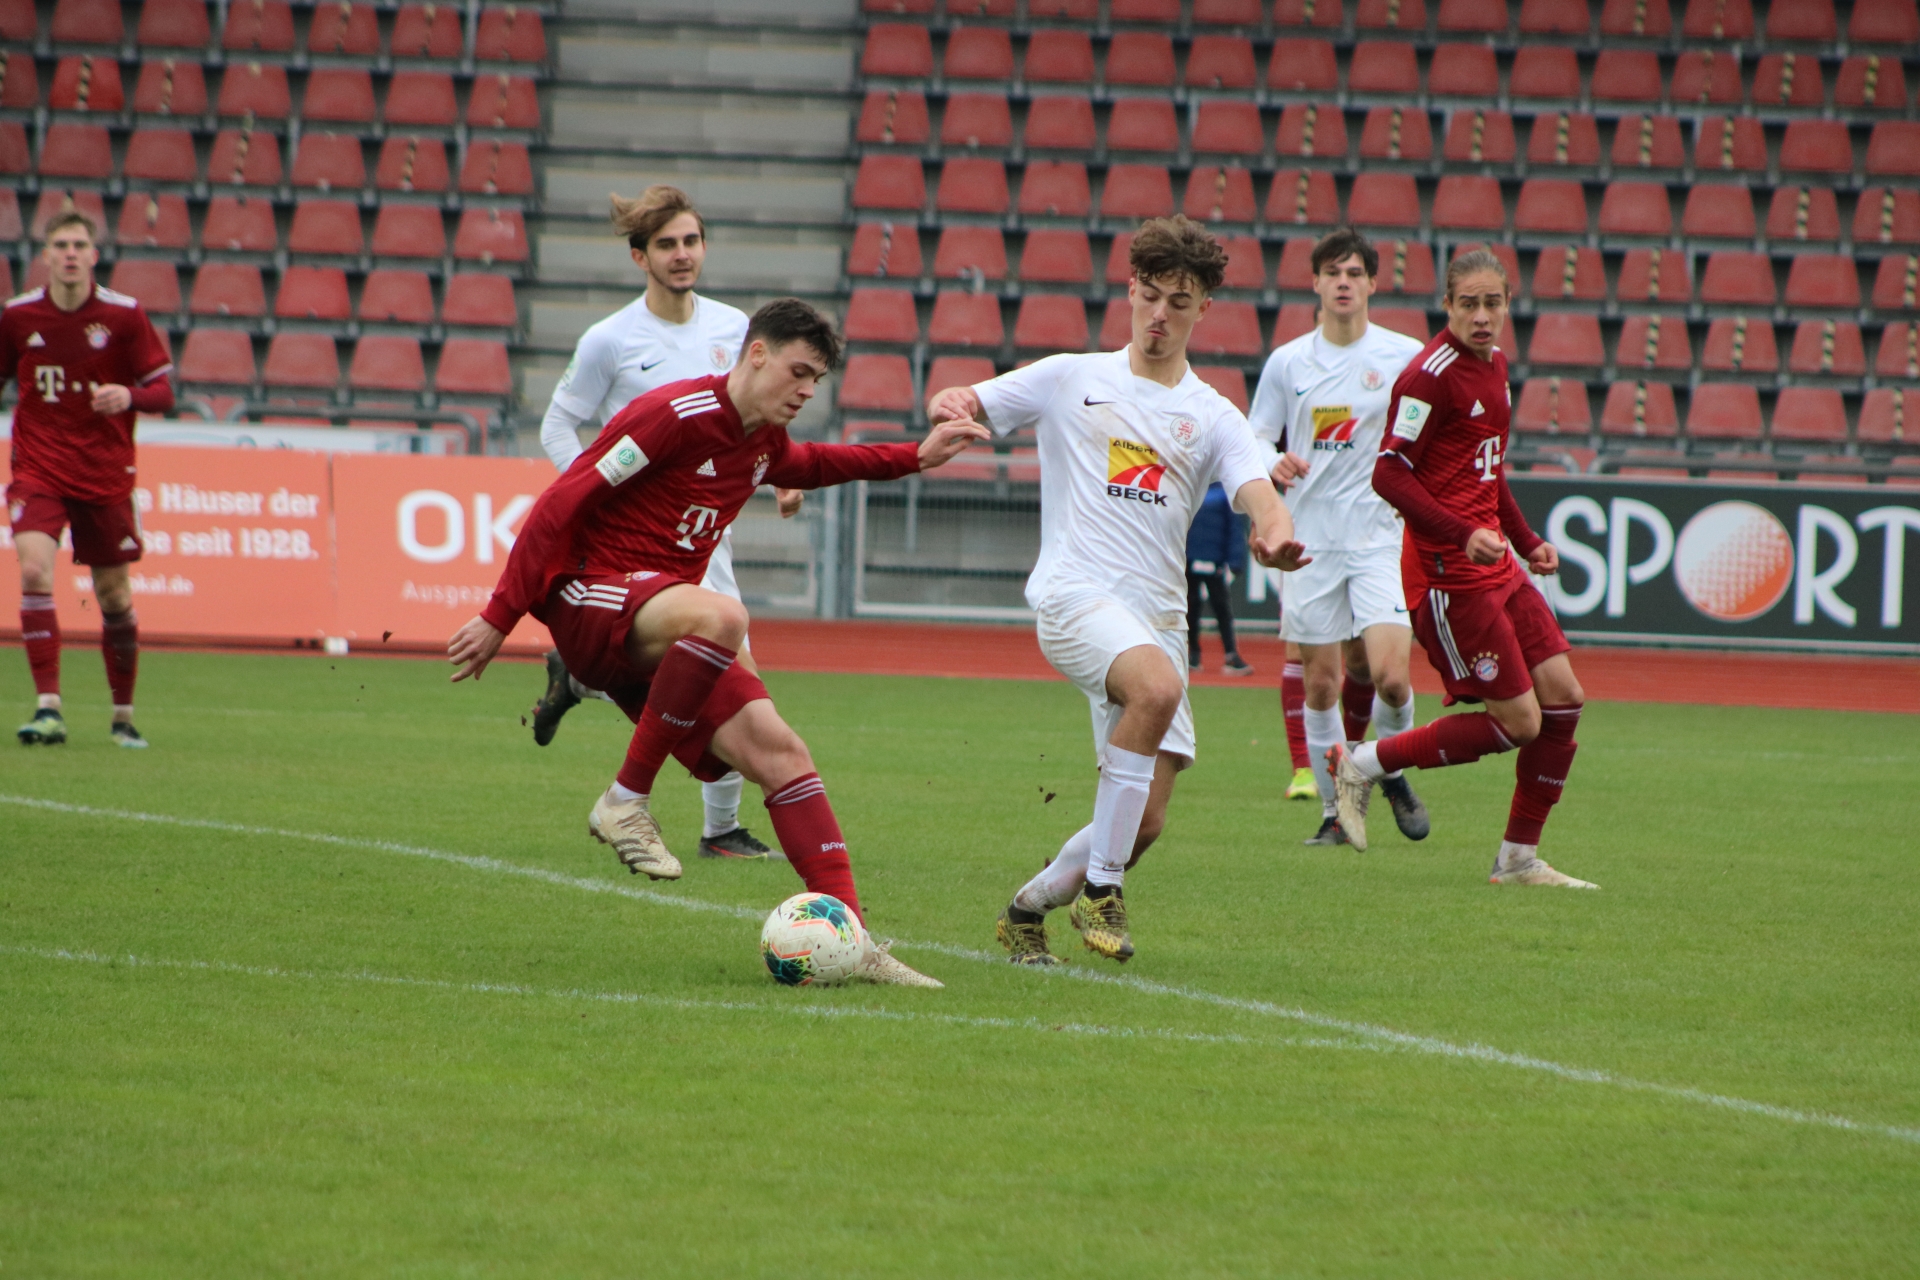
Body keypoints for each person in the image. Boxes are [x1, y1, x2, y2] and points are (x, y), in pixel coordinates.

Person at [448, 298, 987, 985]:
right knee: (725, 619)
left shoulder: (762, 443)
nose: (807, 391)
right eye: (798, 372)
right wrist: (500, 614)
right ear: (756, 353)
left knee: (782, 752)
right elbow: (562, 502)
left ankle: (854, 942)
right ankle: (624, 801)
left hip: (660, 621)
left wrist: (915, 455)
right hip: (589, 595)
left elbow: (817, 462)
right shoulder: (672, 415)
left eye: (817, 380)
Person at [927, 216, 1309, 967]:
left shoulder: (1213, 414)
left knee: (1143, 822)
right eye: (1151, 296)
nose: (1160, 314)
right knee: (1156, 688)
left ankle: (1026, 911)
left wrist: (1275, 535)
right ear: (1130, 291)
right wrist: (951, 403)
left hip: (1157, 618)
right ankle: (1102, 890)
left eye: (1179, 302)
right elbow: (968, 397)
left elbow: (1261, 496)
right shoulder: (1070, 377)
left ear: (1203, 310)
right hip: (1074, 597)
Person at [530, 183, 791, 862]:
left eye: (691, 241)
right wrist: (597, 490)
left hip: (703, 534)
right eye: (667, 244)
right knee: (722, 665)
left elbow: (757, 417)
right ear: (639, 257)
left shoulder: (735, 329)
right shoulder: (609, 340)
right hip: (634, 542)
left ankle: (580, 682)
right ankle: (718, 828)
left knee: (723, 666)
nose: (682, 254)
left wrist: (784, 476)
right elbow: (558, 424)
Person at [1328, 250, 1597, 889]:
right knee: (1520, 723)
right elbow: (1388, 473)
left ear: (1507, 305)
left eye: (1492, 303)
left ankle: (1518, 859)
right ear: (1447, 305)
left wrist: (1526, 541)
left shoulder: (1496, 366)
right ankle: (1364, 761)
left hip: (1496, 565)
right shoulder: (1429, 377)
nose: (1481, 316)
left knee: (1564, 699)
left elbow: (1487, 469)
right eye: (1468, 304)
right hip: (1447, 575)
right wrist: (1461, 533)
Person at [1249, 228, 1429, 847]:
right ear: (1316, 283)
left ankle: (1390, 771)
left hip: (1381, 537)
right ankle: (1335, 814)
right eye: (1333, 273)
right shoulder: (1288, 362)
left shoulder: (1405, 356)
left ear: (1373, 283)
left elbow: (1435, 427)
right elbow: (1256, 436)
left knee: (1391, 679)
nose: (1344, 283)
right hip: (1311, 543)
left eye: (1354, 273)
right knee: (1321, 683)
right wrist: (1271, 461)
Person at [3, 211, 173, 748]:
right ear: (46, 255)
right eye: (61, 245)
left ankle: (123, 716)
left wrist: (129, 396)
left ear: (94, 255)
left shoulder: (124, 315)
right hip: (38, 467)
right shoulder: (17, 316)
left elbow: (164, 392)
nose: (70, 253)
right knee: (34, 569)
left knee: (113, 596)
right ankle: (48, 708)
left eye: (79, 244)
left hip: (104, 472)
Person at [1184, 481, 1251, 675]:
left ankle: (1230, 655)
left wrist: (1235, 560)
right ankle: (1193, 655)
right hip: (1190, 559)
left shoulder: (1223, 492)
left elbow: (1234, 529)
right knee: (1191, 609)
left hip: (1214, 561)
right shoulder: (1190, 488)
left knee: (1221, 609)